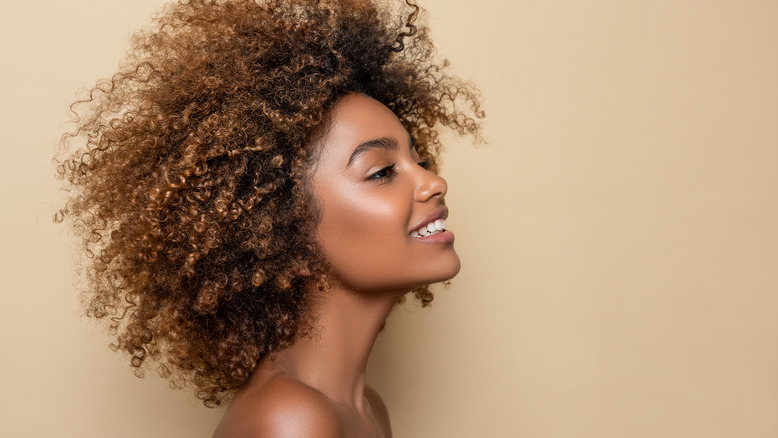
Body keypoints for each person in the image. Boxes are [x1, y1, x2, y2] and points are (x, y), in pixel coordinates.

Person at [56, 0, 482, 436]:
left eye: (419, 158)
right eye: (382, 172)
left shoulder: (364, 409)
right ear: (292, 236)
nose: (434, 182)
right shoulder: (293, 419)